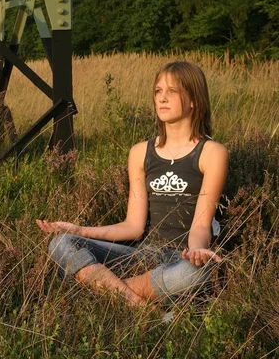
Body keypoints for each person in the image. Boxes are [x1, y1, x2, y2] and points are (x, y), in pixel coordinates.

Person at [37, 61, 228, 306]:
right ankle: (135, 301)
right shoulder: (140, 152)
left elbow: (201, 224)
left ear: (194, 99)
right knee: (61, 242)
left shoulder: (212, 152)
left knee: (196, 273)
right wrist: (78, 230)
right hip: (142, 256)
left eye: (172, 91)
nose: (162, 98)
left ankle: (101, 290)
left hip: (179, 258)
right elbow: (133, 227)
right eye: (158, 91)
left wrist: (196, 251)